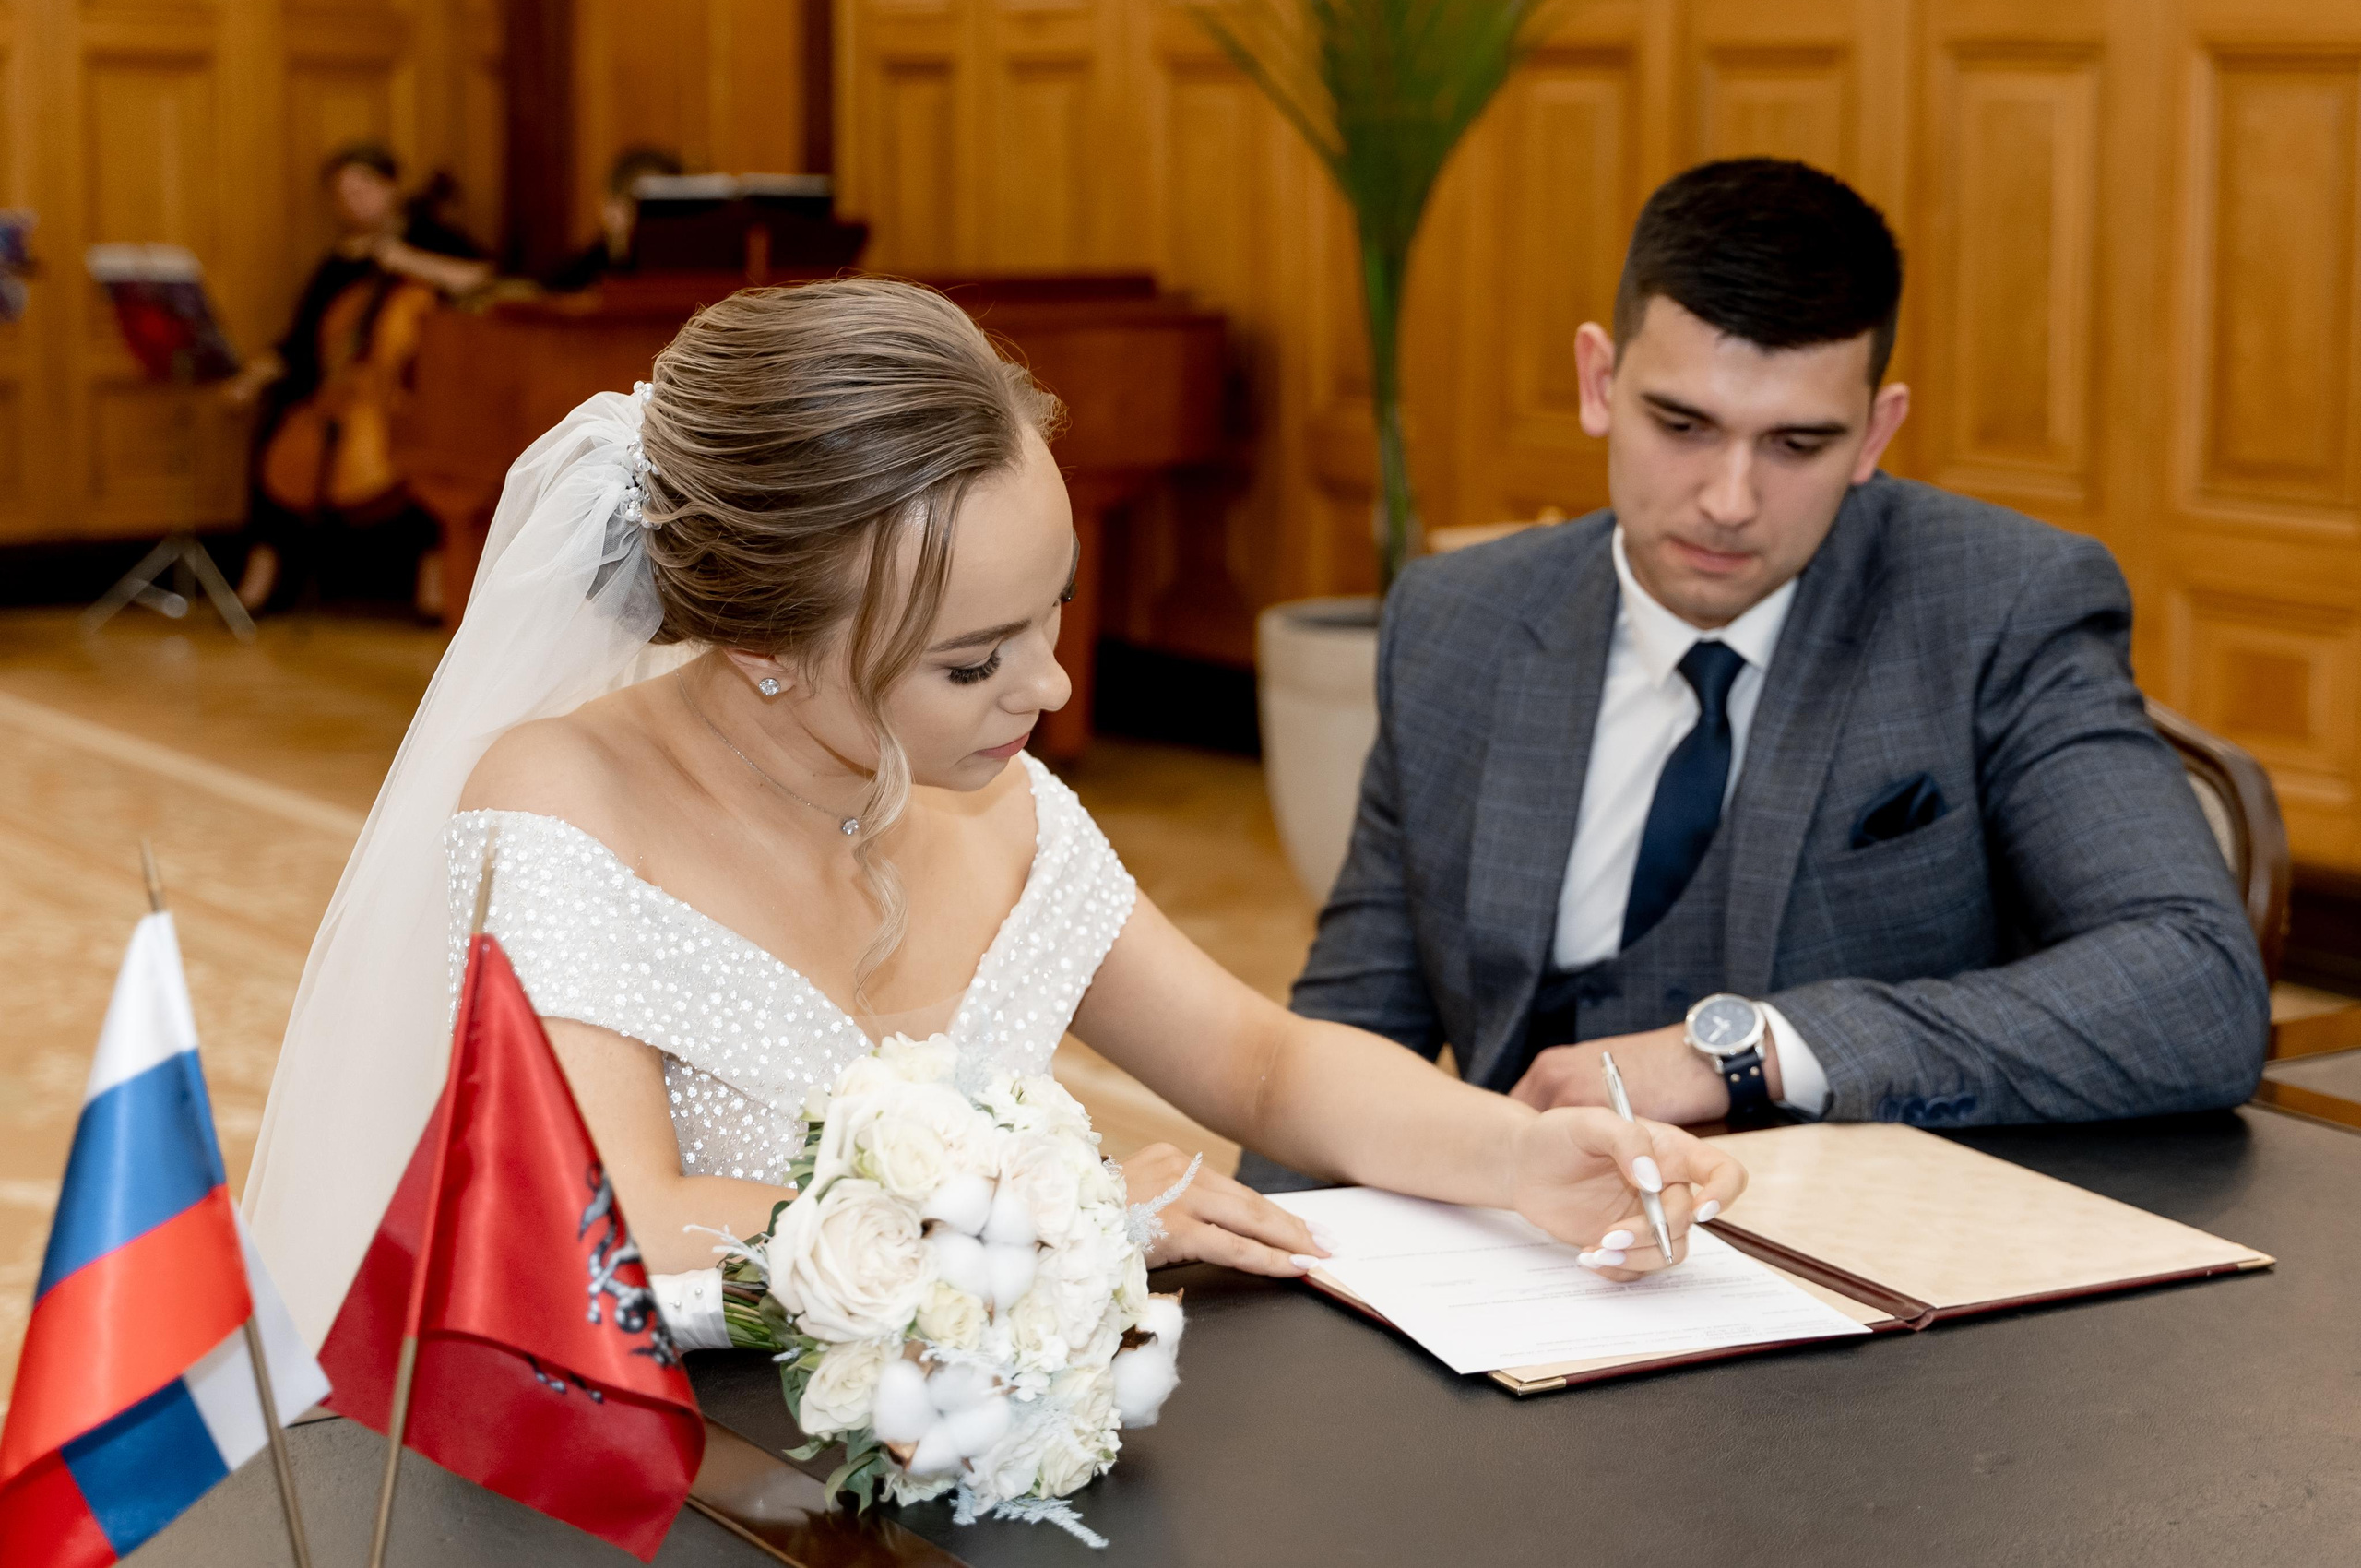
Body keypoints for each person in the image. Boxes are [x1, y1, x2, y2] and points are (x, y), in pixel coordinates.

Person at [241, 279, 1749, 1348]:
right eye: (972, 659)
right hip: (671, 1477)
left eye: (1055, 614)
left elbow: (1260, 1059)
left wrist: (1512, 1157)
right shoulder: (563, 802)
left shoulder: (995, 802)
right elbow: (622, 1222)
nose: (1047, 685)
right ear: (765, 641)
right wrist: (1058, 1214)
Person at [1240, 159, 2268, 1193]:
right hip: (1529, 1257)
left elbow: (2198, 989)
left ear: (1874, 433)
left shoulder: (1999, 606)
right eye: (1682, 426)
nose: (1728, 499)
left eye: (1795, 443)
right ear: (1599, 383)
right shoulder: (1453, 622)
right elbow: (1345, 1042)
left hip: (1869, 1278)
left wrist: (1743, 1051)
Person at [225, 143, 492, 616]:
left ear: (392, 188)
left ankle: (433, 581)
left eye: (363, 187)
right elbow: (299, 344)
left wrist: (404, 259)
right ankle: (262, 573)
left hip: (417, 390)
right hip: (343, 389)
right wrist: (251, 377)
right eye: (342, 192)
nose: (353, 200)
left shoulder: (429, 238)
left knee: (430, 444)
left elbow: (483, 281)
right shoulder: (337, 264)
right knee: (275, 422)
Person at [545, 145, 683, 291]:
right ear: (609, 207)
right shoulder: (569, 283)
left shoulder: (688, 278)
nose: (655, 221)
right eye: (642, 207)